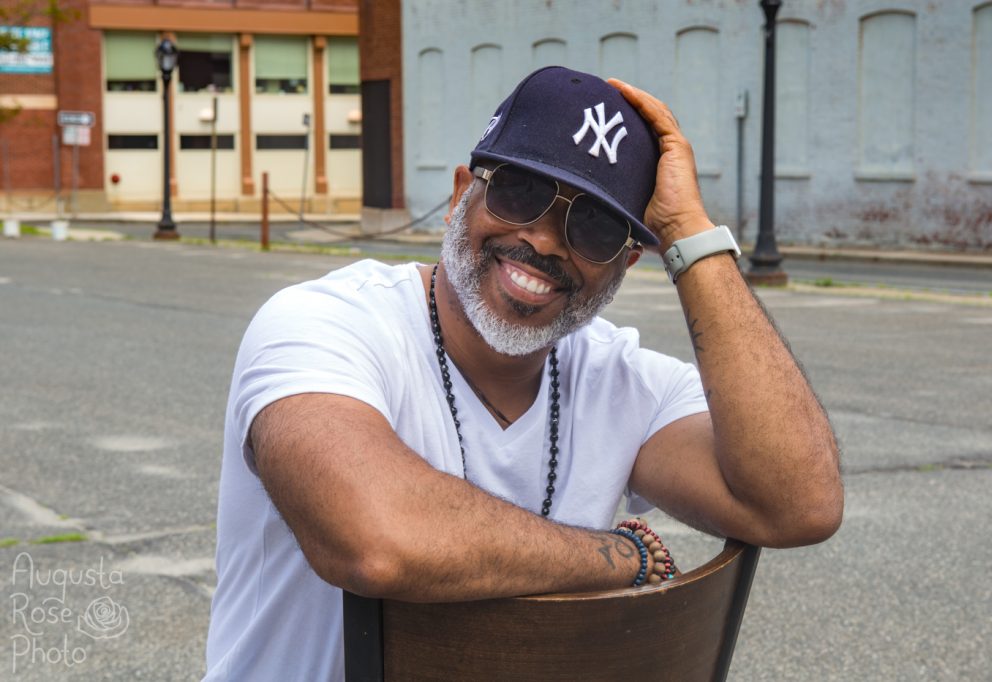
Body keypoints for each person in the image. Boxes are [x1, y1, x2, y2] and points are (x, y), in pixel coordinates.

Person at [203, 66, 843, 680]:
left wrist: (692, 236)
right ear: (461, 195)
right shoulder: (324, 323)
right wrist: (623, 558)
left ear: (625, 266)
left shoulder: (618, 377)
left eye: (593, 226)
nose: (544, 240)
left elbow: (798, 504)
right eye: (520, 192)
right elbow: (378, 540)